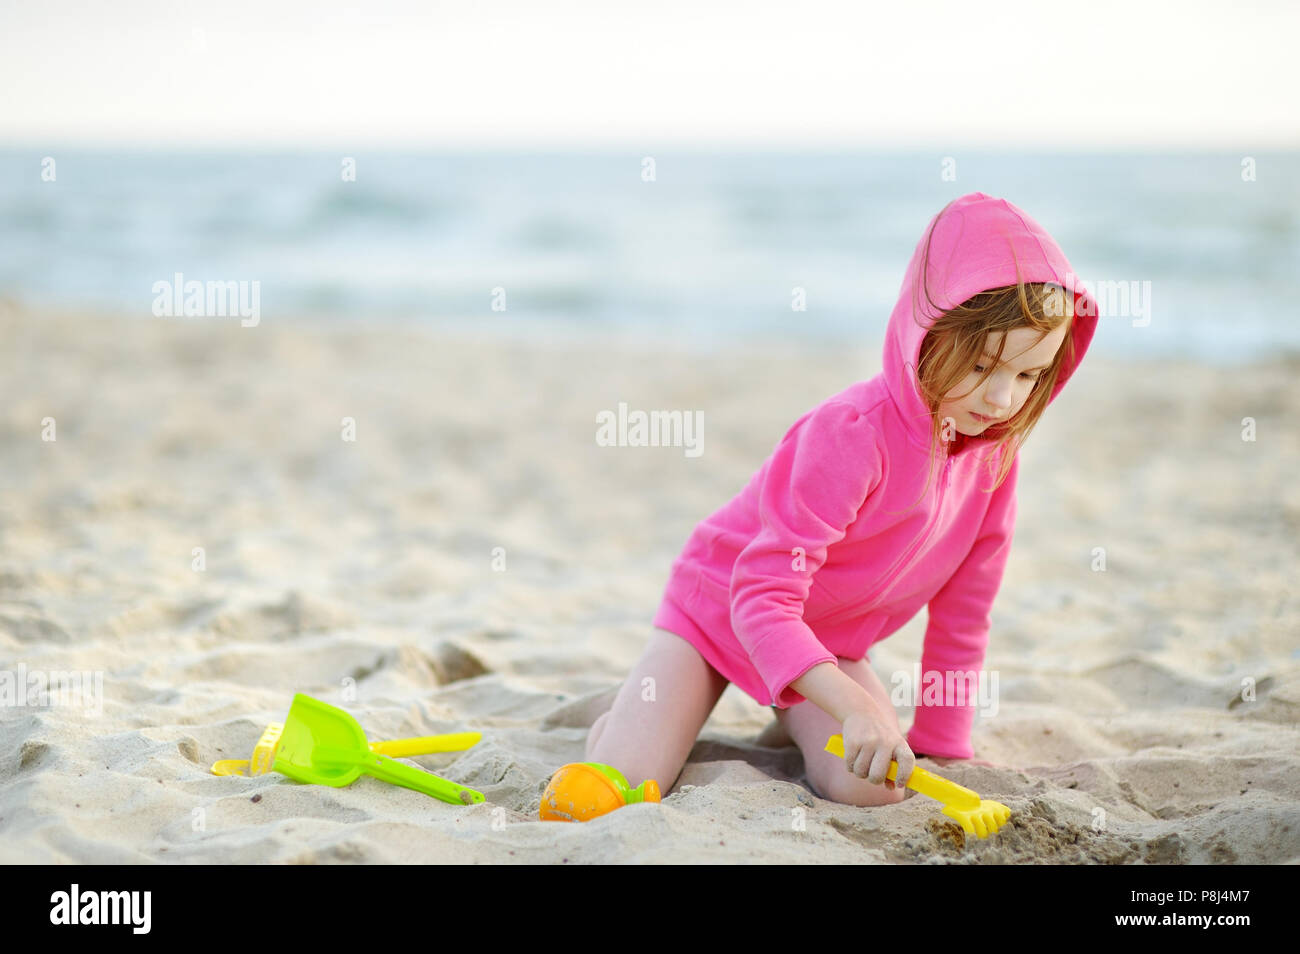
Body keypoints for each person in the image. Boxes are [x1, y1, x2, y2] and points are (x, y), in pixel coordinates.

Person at [575, 191, 1098, 815]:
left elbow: (965, 612)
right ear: (929, 332)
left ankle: (786, 713)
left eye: (1029, 375)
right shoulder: (851, 434)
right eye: (984, 364)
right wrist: (857, 708)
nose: (1001, 399)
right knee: (625, 787)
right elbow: (761, 598)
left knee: (875, 789)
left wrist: (943, 742)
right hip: (718, 615)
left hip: (824, 649)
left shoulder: (994, 463)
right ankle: (625, 721)